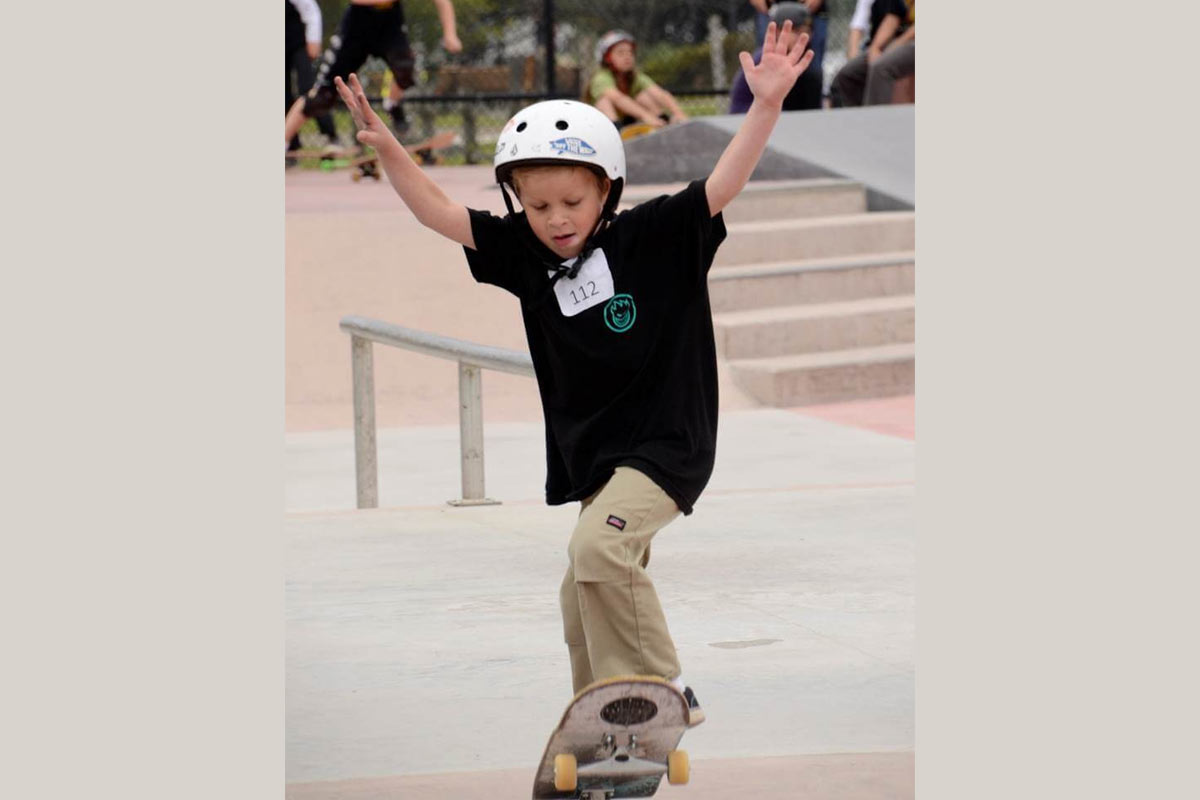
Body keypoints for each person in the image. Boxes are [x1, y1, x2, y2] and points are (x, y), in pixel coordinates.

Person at [331, 19, 815, 717]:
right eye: (537, 206)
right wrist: (394, 152)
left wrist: (765, 104)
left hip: (667, 444)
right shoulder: (527, 253)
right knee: (579, 585)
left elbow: (722, 185)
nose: (555, 220)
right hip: (601, 458)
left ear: (607, 192)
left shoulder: (652, 237)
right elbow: (440, 213)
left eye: (571, 203)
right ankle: (601, 722)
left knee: (598, 552)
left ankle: (661, 689)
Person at [283, 0, 462, 148]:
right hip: (356, 28)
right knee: (322, 94)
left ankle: (392, 104)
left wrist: (450, 33)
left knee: (405, 68)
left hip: (389, 24)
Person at [585, 30, 689, 130]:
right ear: (607, 58)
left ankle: (663, 124)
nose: (627, 56)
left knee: (643, 96)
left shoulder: (635, 77)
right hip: (602, 126)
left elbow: (660, 94)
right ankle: (617, 135)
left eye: (630, 52)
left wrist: (679, 113)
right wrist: (646, 116)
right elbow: (618, 98)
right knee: (604, 101)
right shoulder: (601, 78)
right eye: (620, 53)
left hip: (628, 120)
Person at [730, 2, 822, 113]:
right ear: (778, 31)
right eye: (797, 31)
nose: (803, 37)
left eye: (807, 32)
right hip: (751, 117)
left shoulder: (808, 61)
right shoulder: (765, 60)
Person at [830, 0, 914, 107]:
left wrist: (887, 50)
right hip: (885, 44)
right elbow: (891, 17)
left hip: (908, 42)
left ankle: (876, 119)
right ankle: (855, 119)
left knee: (881, 67)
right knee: (847, 74)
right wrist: (873, 49)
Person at [286, 0, 338, 153]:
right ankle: (291, 145)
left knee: (308, 88)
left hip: (299, 44)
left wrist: (313, 40)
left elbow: (310, 10)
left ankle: (331, 135)